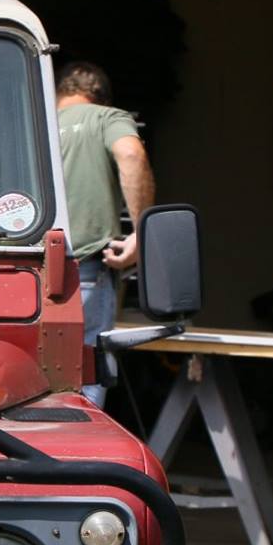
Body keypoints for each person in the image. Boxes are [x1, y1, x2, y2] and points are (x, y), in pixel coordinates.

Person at [54, 61, 156, 407]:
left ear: (59, 94)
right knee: (87, 371)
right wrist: (141, 232)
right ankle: (77, 458)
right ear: (101, 98)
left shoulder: (34, 119)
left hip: (24, 270)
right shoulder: (107, 118)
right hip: (85, 266)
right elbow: (130, 152)